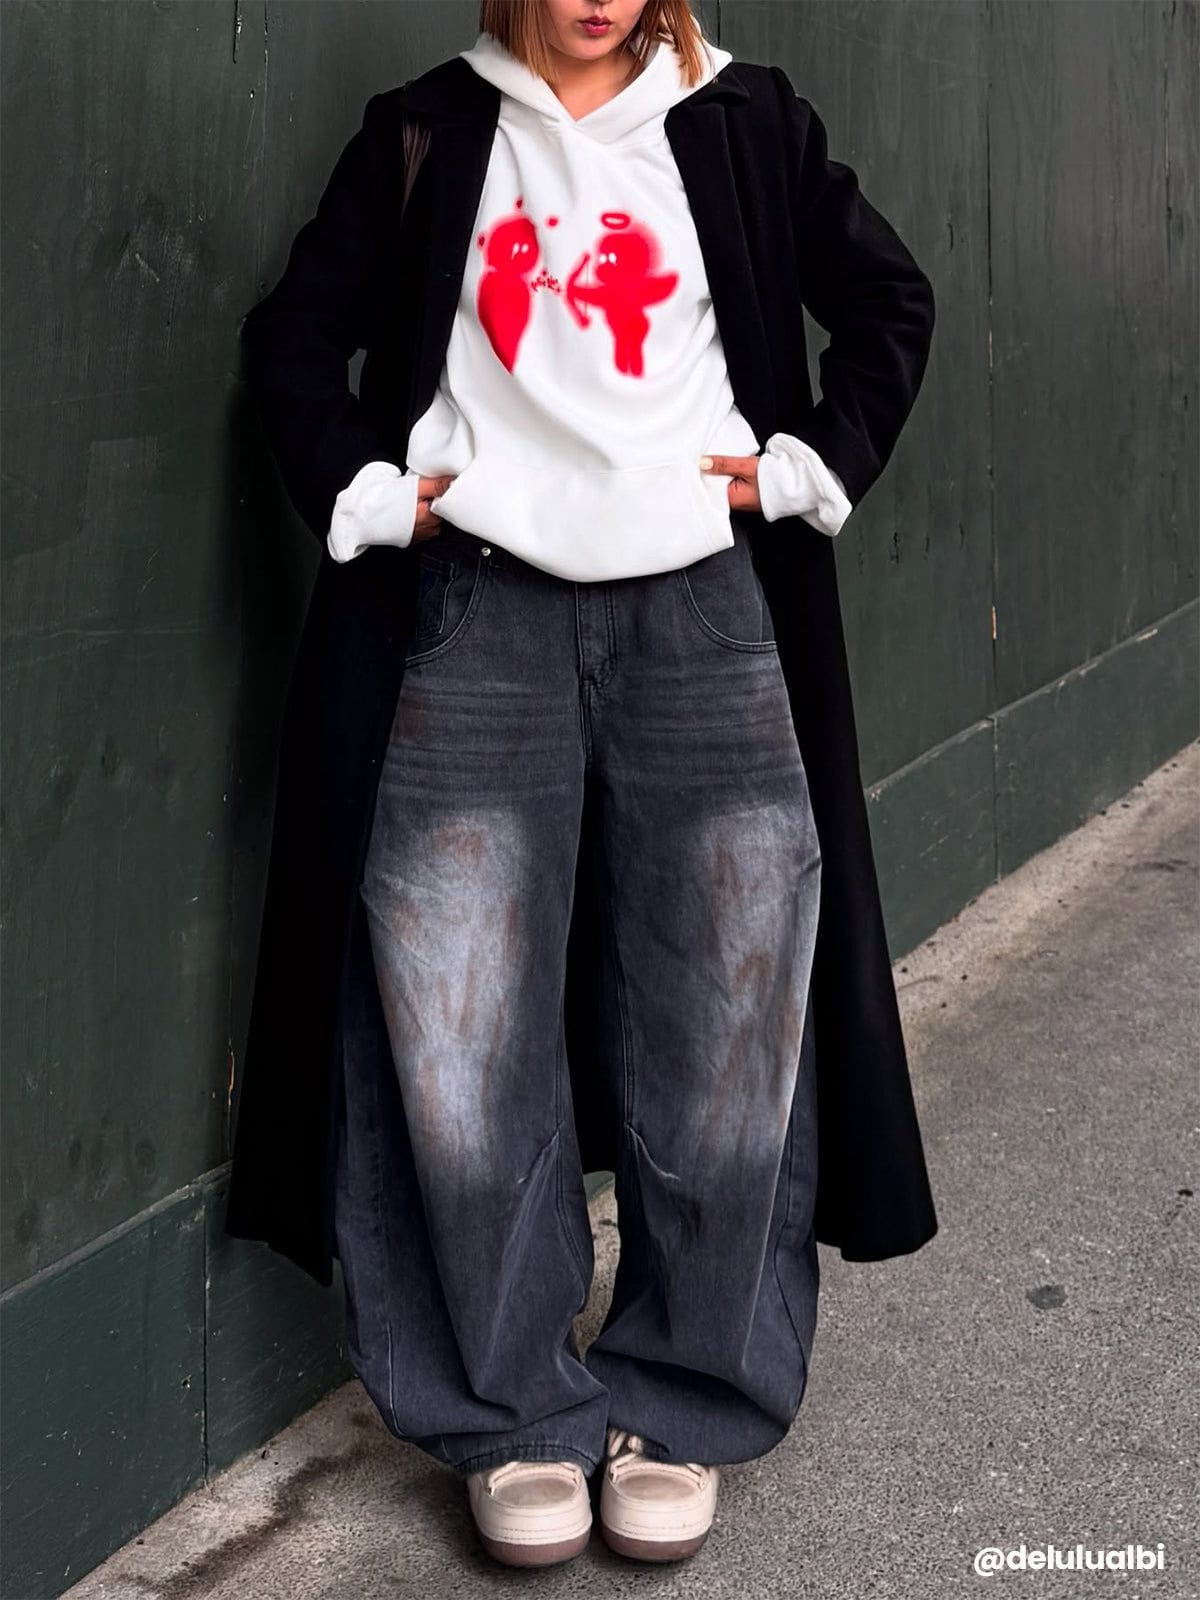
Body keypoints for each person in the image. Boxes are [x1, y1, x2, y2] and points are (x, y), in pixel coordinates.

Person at [231, 0, 937, 1571]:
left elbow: (890, 299)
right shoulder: (427, 129)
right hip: (475, 608)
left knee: (732, 1010)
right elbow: (295, 338)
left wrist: (807, 465)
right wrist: (372, 490)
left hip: (708, 609)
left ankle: (689, 1392)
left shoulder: (743, 120)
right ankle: (508, 1409)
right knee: (458, 1019)